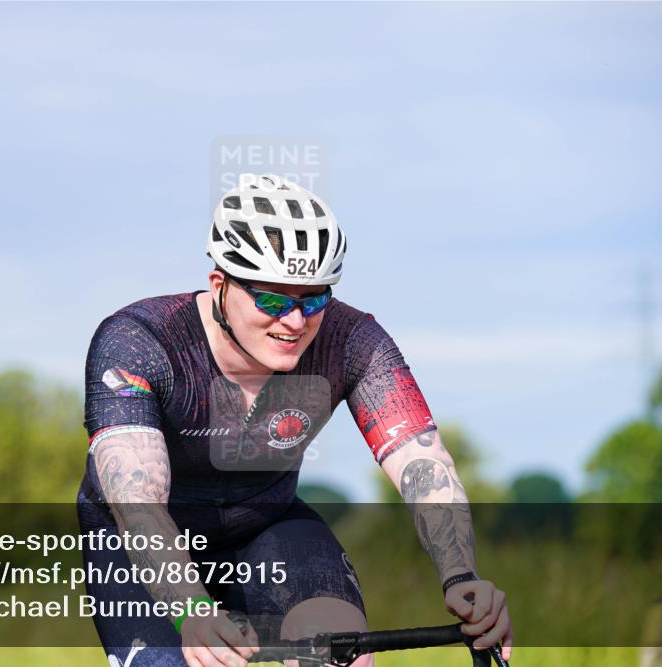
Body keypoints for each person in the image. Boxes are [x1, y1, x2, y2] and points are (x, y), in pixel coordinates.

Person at [77, 174, 513, 667]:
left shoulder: (353, 340)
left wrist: (461, 577)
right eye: (271, 300)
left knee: (340, 655)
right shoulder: (140, 341)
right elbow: (139, 502)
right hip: (141, 540)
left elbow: (421, 460)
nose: (294, 321)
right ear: (219, 285)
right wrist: (191, 609)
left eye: (314, 299)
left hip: (268, 524)